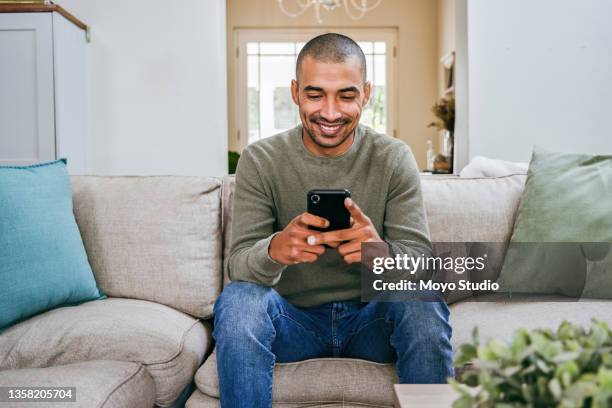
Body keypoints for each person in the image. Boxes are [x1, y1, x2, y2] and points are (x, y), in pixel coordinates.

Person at [212, 33, 453, 407]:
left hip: (371, 325)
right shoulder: (260, 160)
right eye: (314, 94)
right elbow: (239, 264)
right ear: (294, 92)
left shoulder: (392, 158)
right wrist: (275, 250)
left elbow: (420, 265)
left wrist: (382, 254)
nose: (329, 112)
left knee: (421, 299)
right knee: (238, 299)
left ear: (367, 93)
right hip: (293, 325)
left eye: (346, 95)